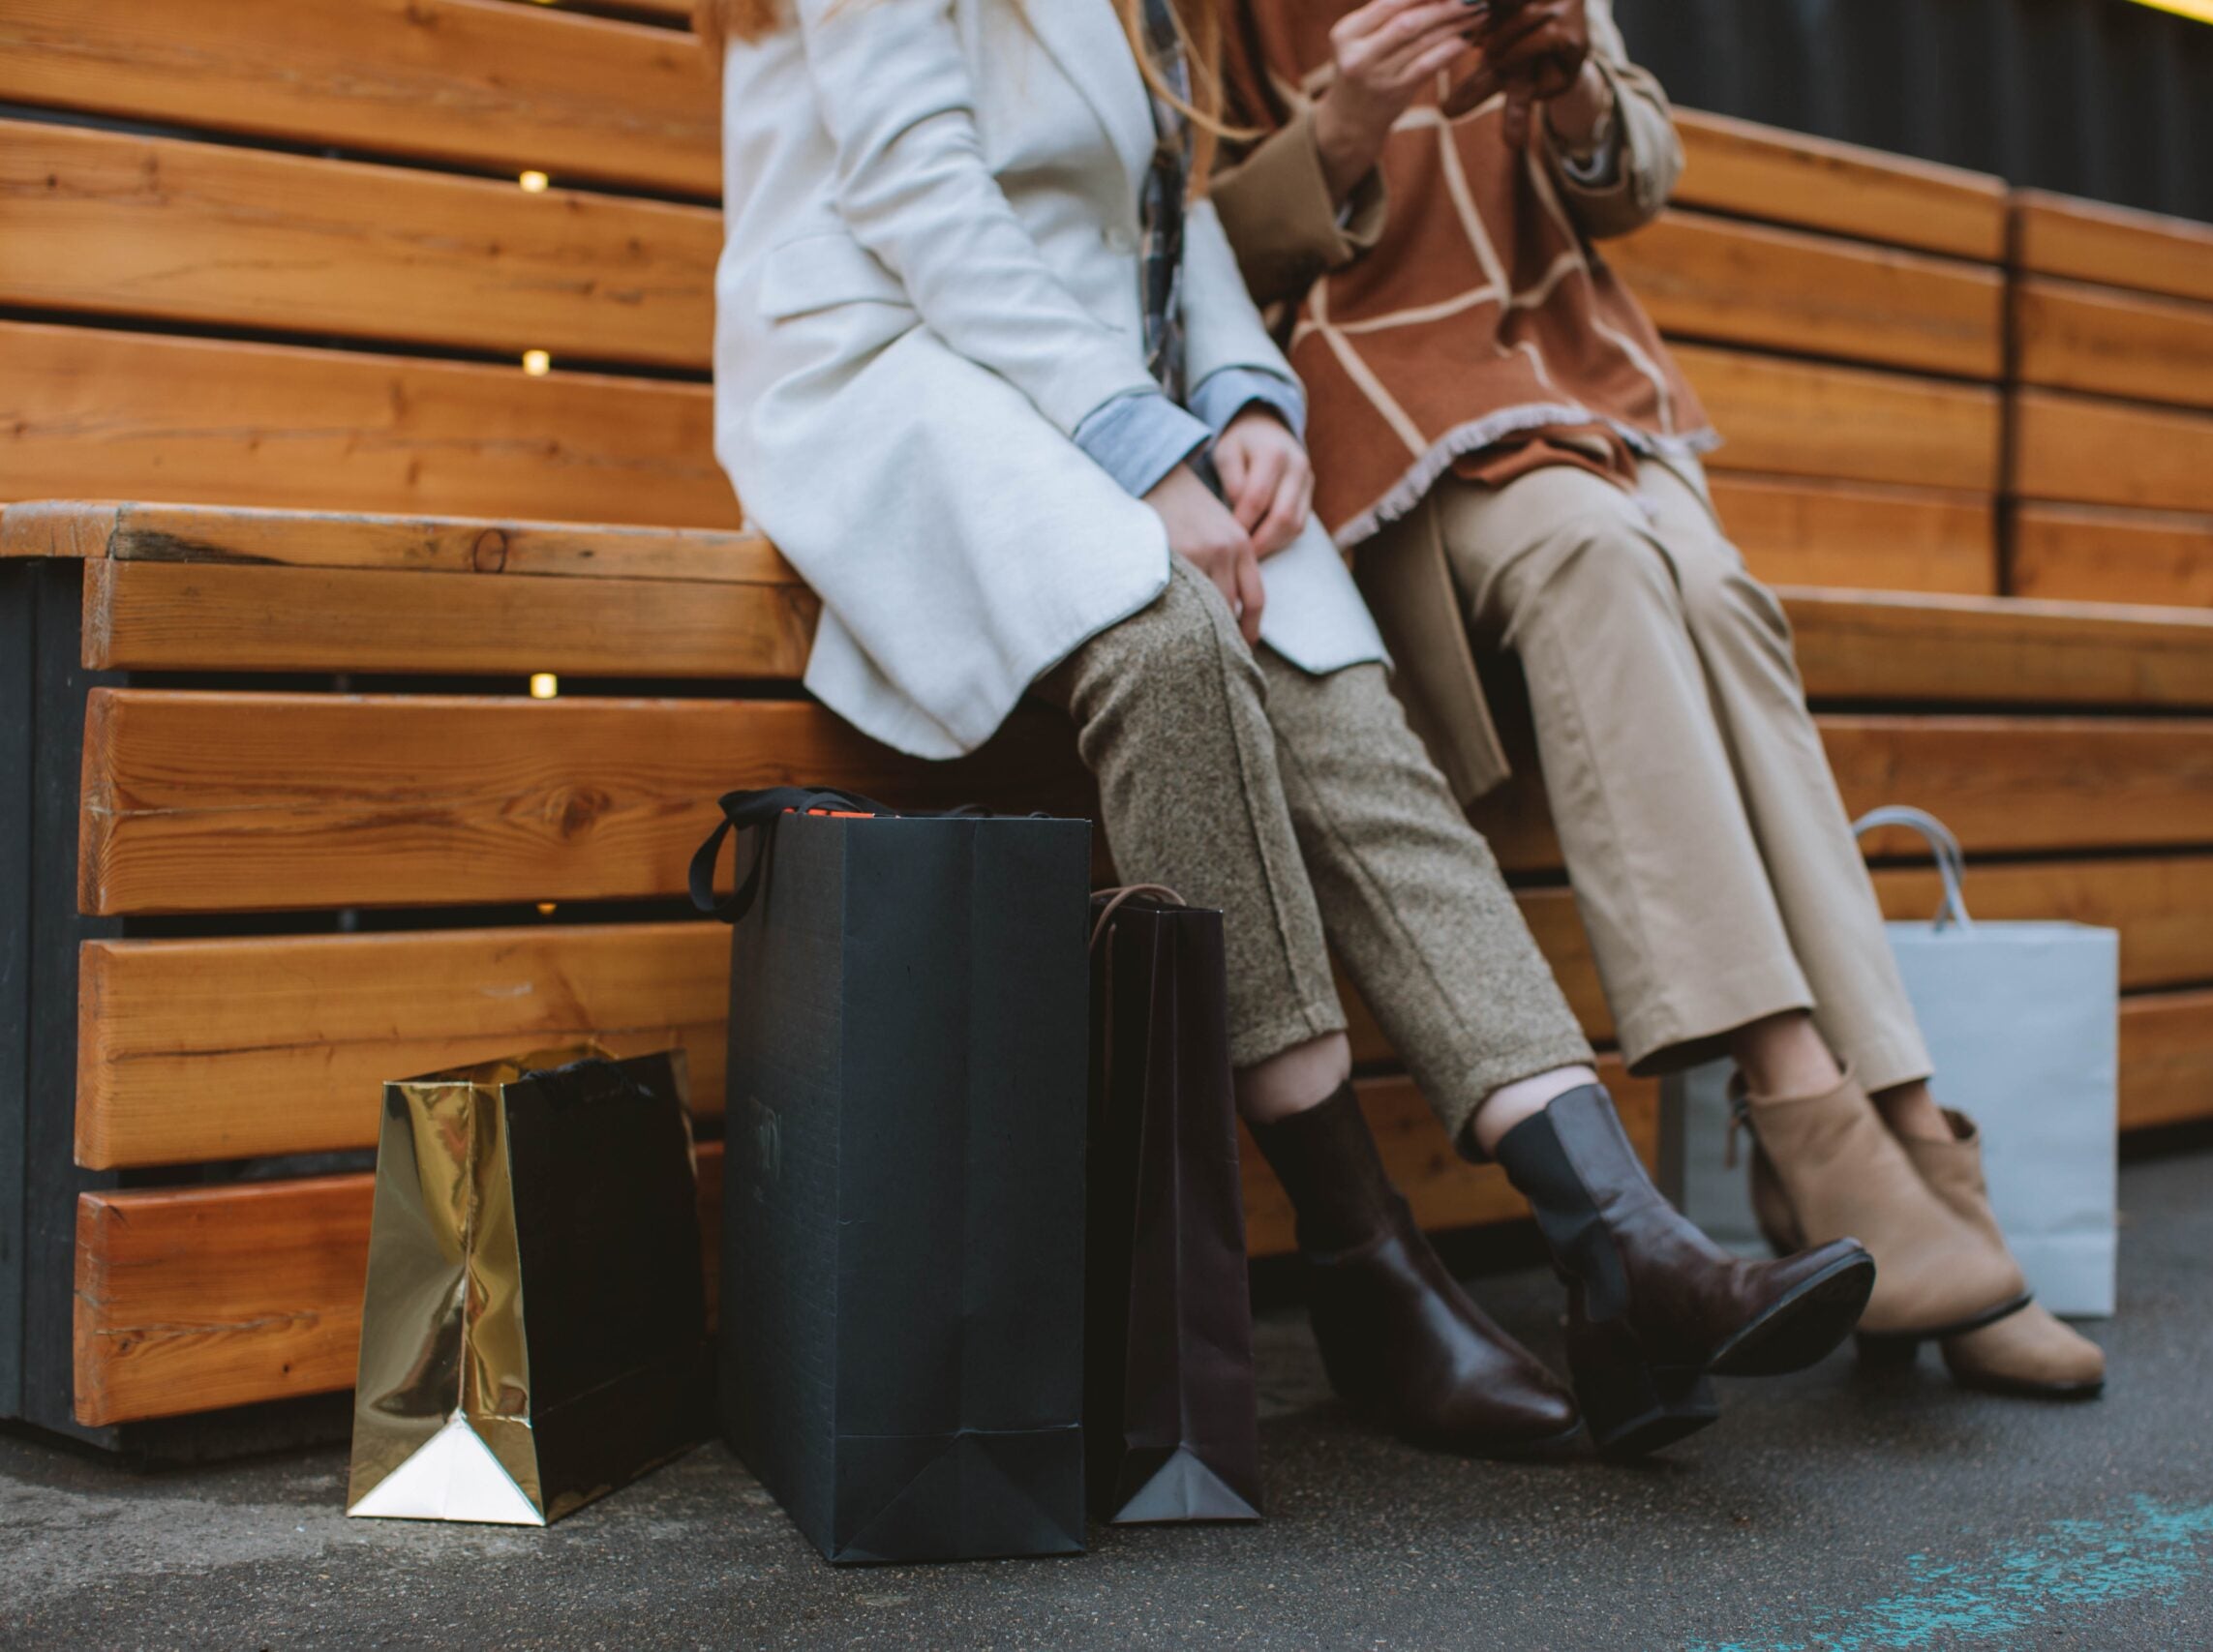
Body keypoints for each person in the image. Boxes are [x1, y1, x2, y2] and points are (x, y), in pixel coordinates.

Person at [697, 0, 1878, 1459]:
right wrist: (1142, 450)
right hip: (885, 363)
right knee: (1172, 635)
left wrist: (1245, 394)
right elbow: (919, 200)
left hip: (1077, 382)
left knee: (1337, 695)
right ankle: (1361, 1260)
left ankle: (1622, 1244)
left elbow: (1159, 209)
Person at [1209, 0, 2104, 1397]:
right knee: (1597, 553)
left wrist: (1565, 82)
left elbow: (1635, 172)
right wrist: (1343, 126)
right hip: (1360, 414)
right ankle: (1811, 1121)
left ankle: (1916, 1151)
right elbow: (1180, 250)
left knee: (1722, 596)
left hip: (1577, 384)